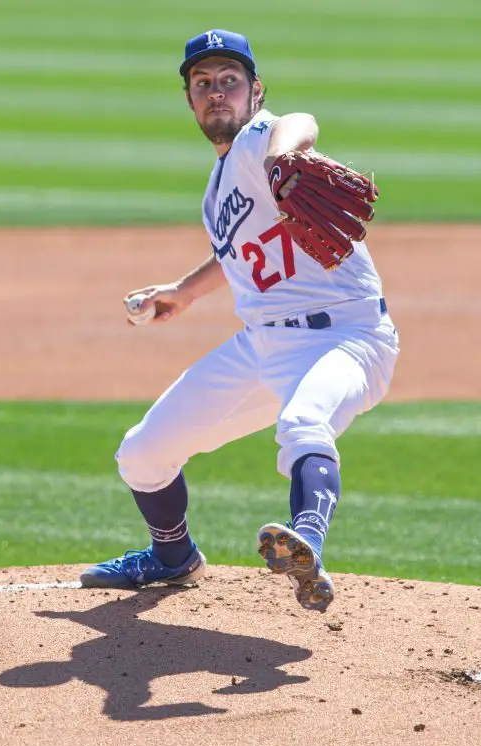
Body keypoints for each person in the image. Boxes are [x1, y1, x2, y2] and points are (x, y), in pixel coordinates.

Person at [79, 29, 399, 612]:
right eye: (203, 84)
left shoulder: (261, 142)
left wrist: (283, 156)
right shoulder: (216, 189)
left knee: (304, 423)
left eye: (230, 81)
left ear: (255, 92)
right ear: (189, 101)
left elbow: (298, 121)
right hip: (262, 348)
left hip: (347, 337)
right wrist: (184, 291)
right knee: (141, 453)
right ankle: (173, 557)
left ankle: (308, 546)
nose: (216, 92)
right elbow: (237, 253)